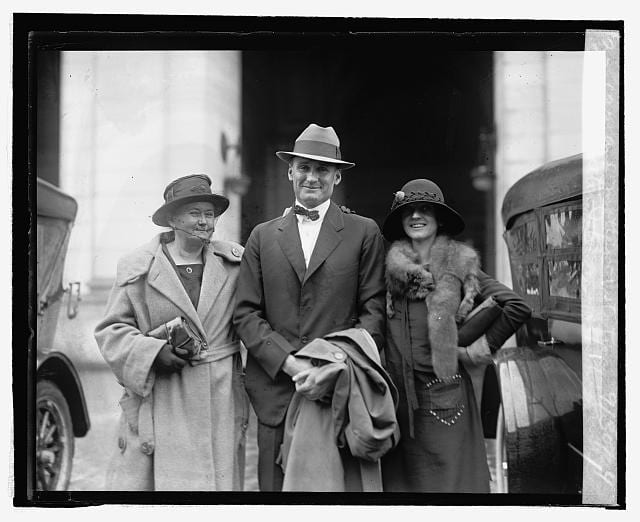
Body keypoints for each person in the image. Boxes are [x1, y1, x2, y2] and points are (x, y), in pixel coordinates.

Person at [233, 123, 387, 491]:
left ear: (336, 177)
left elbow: (374, 314)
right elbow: (245, 313)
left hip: (338, 392)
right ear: (290, 172)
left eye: (322, 170)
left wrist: (332, 368)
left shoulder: (363, 232)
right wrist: (290, 364)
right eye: (304, 167)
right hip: (277, 392)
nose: (312, 177)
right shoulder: (262, 235)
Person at [94, 174, 249, 491]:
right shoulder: (139, 267)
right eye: (195, 214)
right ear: (172, 219)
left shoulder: (235, 262)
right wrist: (152, 353)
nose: (205, 222)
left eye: (209, 214)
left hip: (220, 395)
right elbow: (111, 331)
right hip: (165, 395)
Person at [380, 178, 532, 493]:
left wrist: (474, 351)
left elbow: (517, 306)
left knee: (451, 493)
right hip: (398, 404)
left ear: (439, 219)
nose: (416, 217)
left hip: (444, 403)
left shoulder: (458, 263)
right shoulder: (389, 269)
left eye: (425, 210)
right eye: (409, 211)